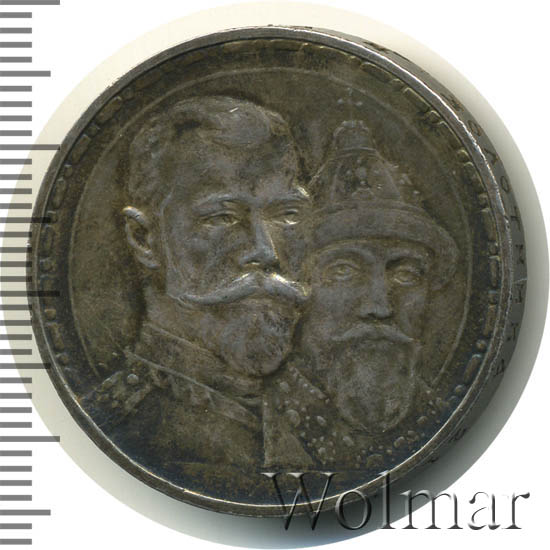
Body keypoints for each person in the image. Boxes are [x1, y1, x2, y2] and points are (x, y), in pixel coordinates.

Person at [84, 96, 312, 471]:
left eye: (287, 215)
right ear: (144, 239)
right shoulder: (118, 432)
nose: (265, 251)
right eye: (222, 217)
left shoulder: (317, 421)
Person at [263, 120, 459, 469]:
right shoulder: (248, 425)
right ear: (297, 289)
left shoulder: (448, 422)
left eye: (406, 274)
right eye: (344, 271)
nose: (380, 307)